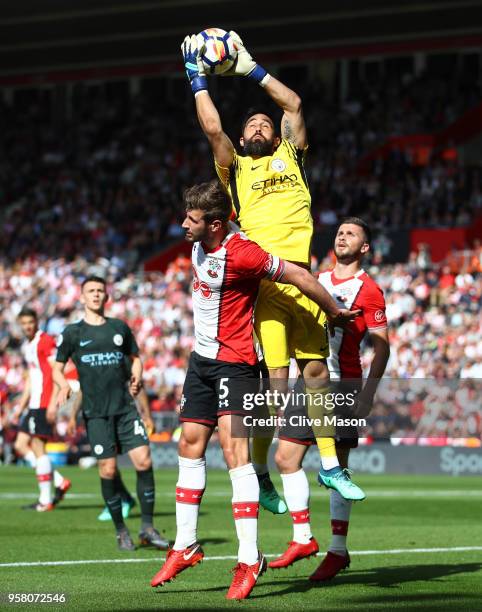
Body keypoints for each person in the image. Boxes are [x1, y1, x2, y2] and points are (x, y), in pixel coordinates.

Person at [181, 32, 364, 511]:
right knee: (275, 383)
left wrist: (248, 68)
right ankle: (261, 474)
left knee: (317, 373)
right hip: (263, 283)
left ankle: (330, 467)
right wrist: (198, 79)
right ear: (244, 139)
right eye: (253, 125)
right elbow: (212, 131)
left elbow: (295, 103)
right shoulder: (234, 168)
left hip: (301, 276)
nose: (260, 127)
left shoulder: (292, 156)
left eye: (266, 123)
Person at [150, 180, 359, 600]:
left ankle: (249, 559)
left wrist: (332, 309)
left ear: (213, 224)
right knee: (189, 446)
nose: (182, 225)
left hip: (236, 363)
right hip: (201, 361)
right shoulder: (200, 241)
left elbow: (297, 274)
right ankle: (185, 545)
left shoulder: (244, 253)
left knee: (234, 455)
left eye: (190, 220)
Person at [269, 218, 390, 580]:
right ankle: (303, 536)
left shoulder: (369, 290)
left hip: (342, 384)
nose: (342, 236)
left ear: (365, 248)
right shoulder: (316, 280)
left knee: (338, 465)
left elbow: (382, 348)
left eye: (351, 233)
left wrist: (367, 394)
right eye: (339, 231)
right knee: (285, 457)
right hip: (308, 379)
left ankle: (337, 550)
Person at [51, 276, 168, 552]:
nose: (95, 295)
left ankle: (148, 528)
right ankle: (121, 531)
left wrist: (137, 377)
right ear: (81, 297)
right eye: (90, 291)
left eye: (100, 291)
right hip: (96, 414)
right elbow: (57, 368)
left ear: (106, 297)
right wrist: (63, 384)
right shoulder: (73, 333)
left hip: (125, 410)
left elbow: (135, 359)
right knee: (108, 468)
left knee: (143, 460)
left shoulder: (119, 328)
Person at [12, 308, 72, 511]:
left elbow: (57, 370)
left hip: (45, 401)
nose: (28, 325)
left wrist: (54, 402)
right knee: (20, 445)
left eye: (31, 321)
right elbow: (31, 378)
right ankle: (58, 481)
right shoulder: (27, 345)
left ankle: (45, 500)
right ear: (20, 324)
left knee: (38, 446)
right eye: (24, 323)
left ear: (36, 321)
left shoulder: (45, 341)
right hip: (33, 403)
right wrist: (21, 405)